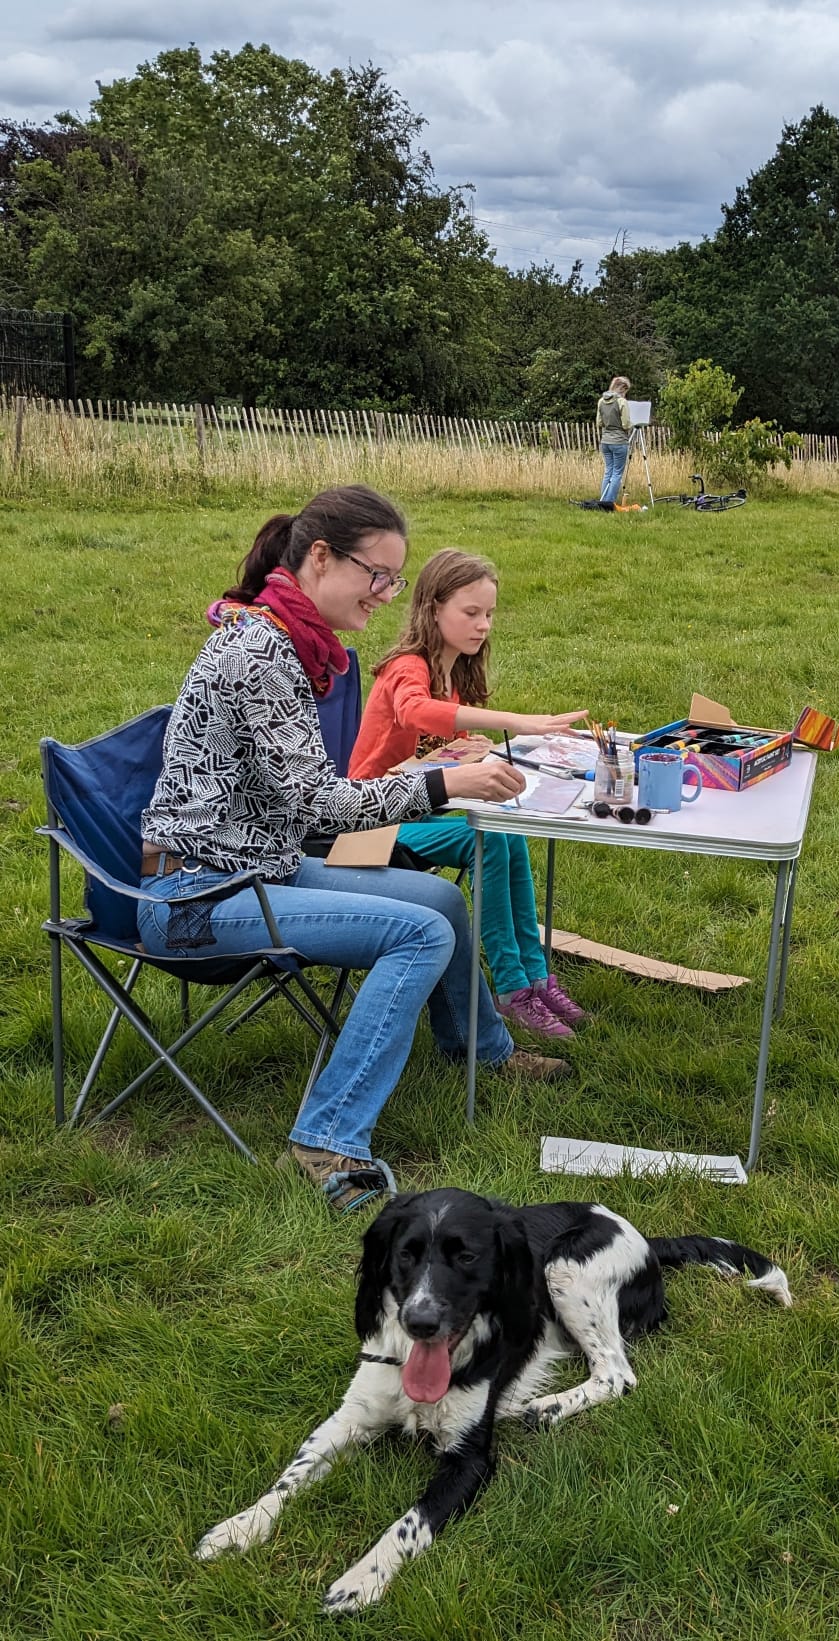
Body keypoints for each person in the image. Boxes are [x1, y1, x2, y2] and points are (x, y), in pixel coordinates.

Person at [138, 486, 567, 1212]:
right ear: (319, 557)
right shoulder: (258, 651)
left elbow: (302, 797)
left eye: (394, 579)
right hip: (196, 896)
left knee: (440, 897)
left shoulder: (284, 642)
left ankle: (483, 1052)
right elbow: (320, 807)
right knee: (418, 928)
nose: (385, 593)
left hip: (260, 866)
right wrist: (443, 784)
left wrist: (431, 777)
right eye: (379, 575)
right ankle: (326, 1134)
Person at [349, 548, 589, 1039]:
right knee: (491, 840)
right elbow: (416, 713)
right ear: (433, 608)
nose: (483, 626)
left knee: (508, 830)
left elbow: (432, 753)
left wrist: (473, 751)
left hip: (419, 808)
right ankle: (511, 987)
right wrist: (510, 723)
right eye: (471, 613)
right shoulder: (407, 668)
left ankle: (535, 976)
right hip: (366, 825)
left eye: (490, 614)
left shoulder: (452, 671)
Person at [596, 375, 633, 504]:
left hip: (605, 441)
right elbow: (626, 424)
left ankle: (603, 499)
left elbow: (599, 423)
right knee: (617, 473)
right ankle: (609, 502)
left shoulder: (601, 401)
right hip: (619, 441)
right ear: (622, 389)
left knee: (608, 471)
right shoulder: (621, 402)